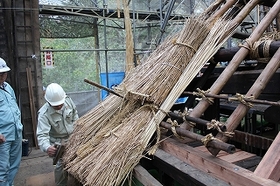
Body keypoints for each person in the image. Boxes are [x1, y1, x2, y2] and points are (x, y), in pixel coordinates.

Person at [36, 83, 79, 186]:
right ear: (49, 102)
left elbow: (75, 116)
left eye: (61, 104)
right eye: (56, 105)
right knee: (61, 165)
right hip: (58, 142)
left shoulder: (68, 100)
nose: (59, 106)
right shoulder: (44, 114)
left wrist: (78, 131)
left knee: (78, 161)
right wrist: (47, 147)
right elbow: (42, 135)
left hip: (73, 137)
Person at [0, 57, 23, 186]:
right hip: (2, 137)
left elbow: (14, 106)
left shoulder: (8, 87)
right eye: (0, 73)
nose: (2, 76)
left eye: (4, 73)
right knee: (2, 169)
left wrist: (19, 126)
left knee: (14, 165)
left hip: (16, 132)